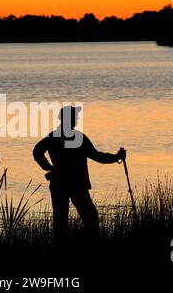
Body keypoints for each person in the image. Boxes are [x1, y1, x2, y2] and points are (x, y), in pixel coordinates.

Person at [33, 105, 126, 246]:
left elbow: (36, 151)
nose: (76, 119)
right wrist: (116, 157)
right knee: (90, 216)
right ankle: (92, 244)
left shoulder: (53, 136)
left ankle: (61, 246)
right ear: (68, 120)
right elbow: (97, 156)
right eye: (75, 117)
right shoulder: (78, 137)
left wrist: (48, 167)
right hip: (76, 183)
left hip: (58, 183)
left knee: (60, 219)